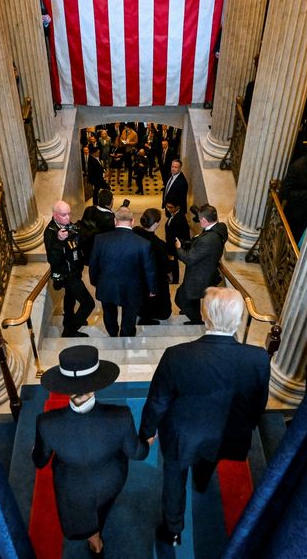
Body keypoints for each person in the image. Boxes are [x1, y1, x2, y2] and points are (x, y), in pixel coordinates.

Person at [139, 287, 270, 547]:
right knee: (209, 459)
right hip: (225, 434)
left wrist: (147, 431)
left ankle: (173, 529)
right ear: (239, 319)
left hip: (181, 435)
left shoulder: (177, 355)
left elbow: (158, 401)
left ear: (204, 315)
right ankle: (201, 480)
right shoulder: (258, 358)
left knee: (174, 481)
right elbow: (258, 404)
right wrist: (245, 427)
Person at [33, 345, 149, 559]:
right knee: (102, 506)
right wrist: (147, 442)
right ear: (96, 386)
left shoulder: (46, 423)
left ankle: (94, 541)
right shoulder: (121, 416)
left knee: (83, 514)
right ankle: (97, 533)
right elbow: (137, 452)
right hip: (112, 480)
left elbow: (39, 461)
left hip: (73, 488)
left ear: (65, 387)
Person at [89, 207, 157, 337]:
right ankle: (126, 334)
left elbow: (93, 264)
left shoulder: (100, 239)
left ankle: (112, 333)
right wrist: (152, 288)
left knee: (109, 312)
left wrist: (95, 281)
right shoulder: (144, 244)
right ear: (132, 221)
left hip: (107, 285)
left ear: (115, 221)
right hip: (132, 288)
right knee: (130, 315)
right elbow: (149, 270)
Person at [45, 200, 94, 338]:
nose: (68, 218)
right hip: (68, 275)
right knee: (88, 303)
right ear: (55, 215)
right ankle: (70, 330)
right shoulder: (51, 233)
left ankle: (68, 320)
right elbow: (53, 259)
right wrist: (60, 241)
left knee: (70, 297)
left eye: (69, 214)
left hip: (75, 270)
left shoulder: (67, 225)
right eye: (64, 215)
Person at [173, 204, 228, 325]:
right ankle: (194, 311)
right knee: (194, 297)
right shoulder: (221, 227)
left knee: (180, 299)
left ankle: (197, 320)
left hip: (199, 276)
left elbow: (188, 259)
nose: (198, 221)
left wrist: (178, 248)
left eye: (199, 218)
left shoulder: (206, 240)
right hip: (208, 269)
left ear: (204, 220)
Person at [135, 208, 172, 324]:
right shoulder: (159, 245)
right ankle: (149, 316)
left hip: (137, 275)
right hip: (154, 278)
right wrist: (170, 274)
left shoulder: (135, 232)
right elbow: (165, 266)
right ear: (156, 224)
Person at [79, 189, 116, 262]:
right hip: (101, 257)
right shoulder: (112, 219)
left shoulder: (88, 210)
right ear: (111, 201)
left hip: (86, 252)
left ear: (99, 200)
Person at [163, 202, 191, 285]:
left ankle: (174, 280)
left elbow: (184, 234)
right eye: (167, 207)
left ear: (177, 207)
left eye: (171, 207)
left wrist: (175, 245)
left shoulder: (180, 219)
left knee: (173, 261)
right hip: (170, 242)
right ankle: (173, 279)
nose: (168, 209)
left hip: (175, 243)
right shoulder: (173, 214)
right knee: (172, 261)